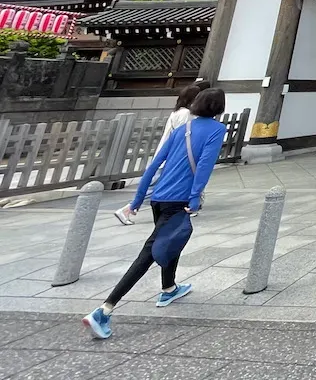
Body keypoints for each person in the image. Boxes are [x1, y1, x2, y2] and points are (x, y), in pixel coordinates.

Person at [83, 87, 228, 339]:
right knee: (149, 253)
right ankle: (104, 309)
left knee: (172, 238)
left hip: (159, 198)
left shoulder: (183, 129)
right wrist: (195, 198)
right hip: (179, 199)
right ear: (219, 108)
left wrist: (138, 199)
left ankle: (169, 288)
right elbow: (205, 165)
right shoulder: (216, 130)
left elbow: (154, 165)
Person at [116, 83, 203, 226]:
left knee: (161, 184)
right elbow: (184, 137)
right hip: (173, 156)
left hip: (168, 154)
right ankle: (128, 208)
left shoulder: (178, 112)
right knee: (157, 186)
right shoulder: (185, 114)